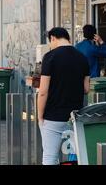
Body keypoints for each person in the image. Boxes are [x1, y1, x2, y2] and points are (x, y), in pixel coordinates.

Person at [38, 27, 90, 165]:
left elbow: (43, 91)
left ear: (53, 38)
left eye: (50, 41)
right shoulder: (82, 58)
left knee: (50, 157)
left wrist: (40, 116)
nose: (50, 45)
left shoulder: (50, 57)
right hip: (75, 116)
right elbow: (86, 88)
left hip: (53, 116)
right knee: (76, 157)